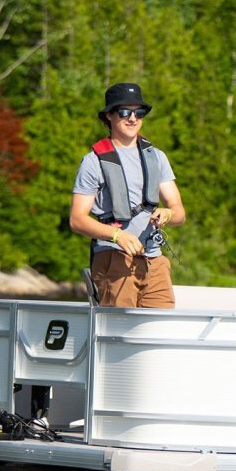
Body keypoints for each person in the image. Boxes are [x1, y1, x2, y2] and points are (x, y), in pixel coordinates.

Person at [70, 83, 186, 308]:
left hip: (154, 261)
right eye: (124, 112)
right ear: (109, 116)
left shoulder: (157, 157)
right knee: (118, 327)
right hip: (114, 259)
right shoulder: (92, 162)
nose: (133, 118)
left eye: (138, 112)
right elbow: (77, 220)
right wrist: (117, 236)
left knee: (162, 325)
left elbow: (179, 212)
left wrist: (169, 213)